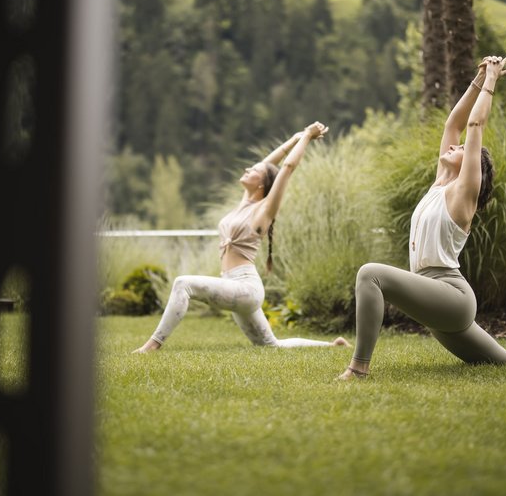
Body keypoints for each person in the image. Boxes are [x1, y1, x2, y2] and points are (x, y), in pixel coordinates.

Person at [338, 54, 506, 379]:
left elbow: (475, 125)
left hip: (450, 296)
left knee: (370, 274)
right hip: (434, 296)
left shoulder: (463, 193)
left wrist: (492, 81)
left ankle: (358, 369)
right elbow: (455, 124)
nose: (455, 145)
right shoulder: (441, 183)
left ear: (473, 167)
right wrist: (478, 78)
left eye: (462, 148)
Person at [134, 122, 351, 353]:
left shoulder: (264, 209)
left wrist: (307, 137)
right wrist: (294, 139)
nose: (247, 170)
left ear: (261, 184)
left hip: (245, 287)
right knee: (271, 345)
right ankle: (334, 345)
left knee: (183, 283)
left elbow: (286, 168)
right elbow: (268, 166)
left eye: (253, 171)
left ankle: (152, 345)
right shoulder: (245, 204)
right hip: (232, 283)